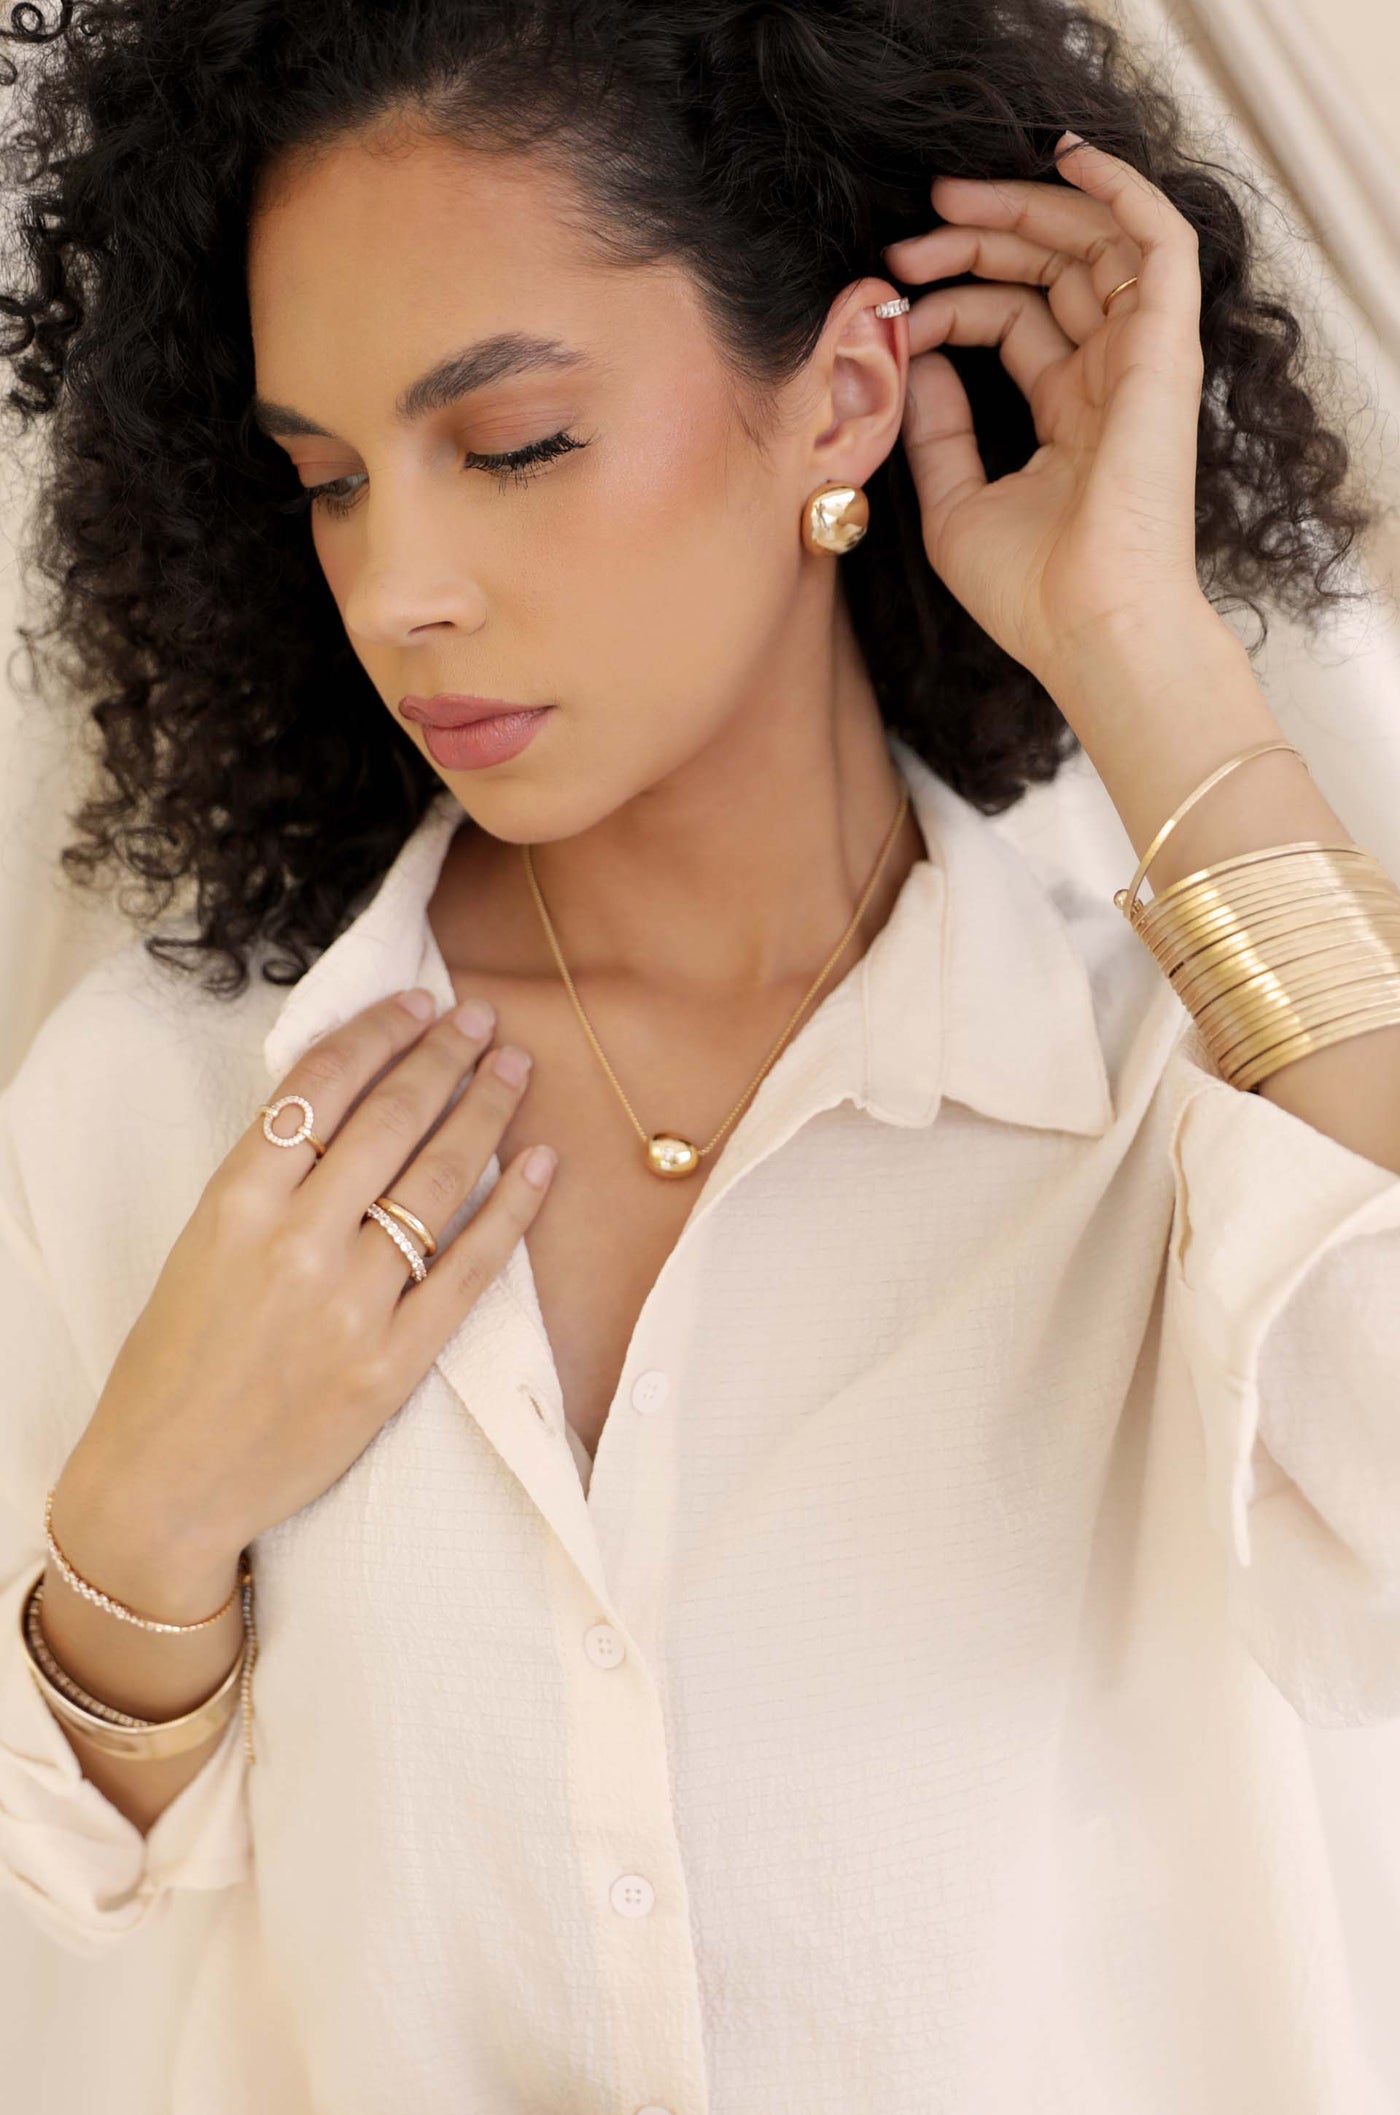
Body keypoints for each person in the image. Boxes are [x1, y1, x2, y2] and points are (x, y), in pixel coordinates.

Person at [1, 2, 1397, 2110]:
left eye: (515, 443)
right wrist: (143, 1523)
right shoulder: (177, 1103)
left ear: (841, 391)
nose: (401, 587)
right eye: (328, 481)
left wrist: (1142, 641)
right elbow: (59, 1943)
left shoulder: (1176, 1093)